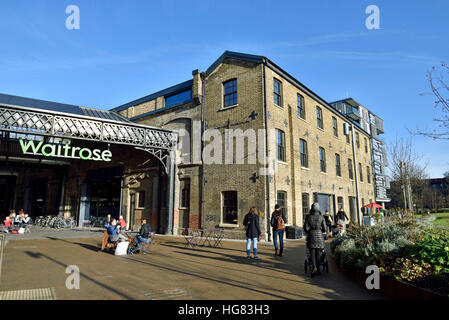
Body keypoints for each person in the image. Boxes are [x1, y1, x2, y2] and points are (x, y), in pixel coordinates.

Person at [304, 203, 327, 277]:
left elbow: (306, 228)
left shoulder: (308, 217)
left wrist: (310, 230)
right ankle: (318, 270)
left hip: (311, 236)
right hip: (319, 236)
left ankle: (314, 267)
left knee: (312, 253)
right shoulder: (321, 217)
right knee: (318, 253)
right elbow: (324, 229)